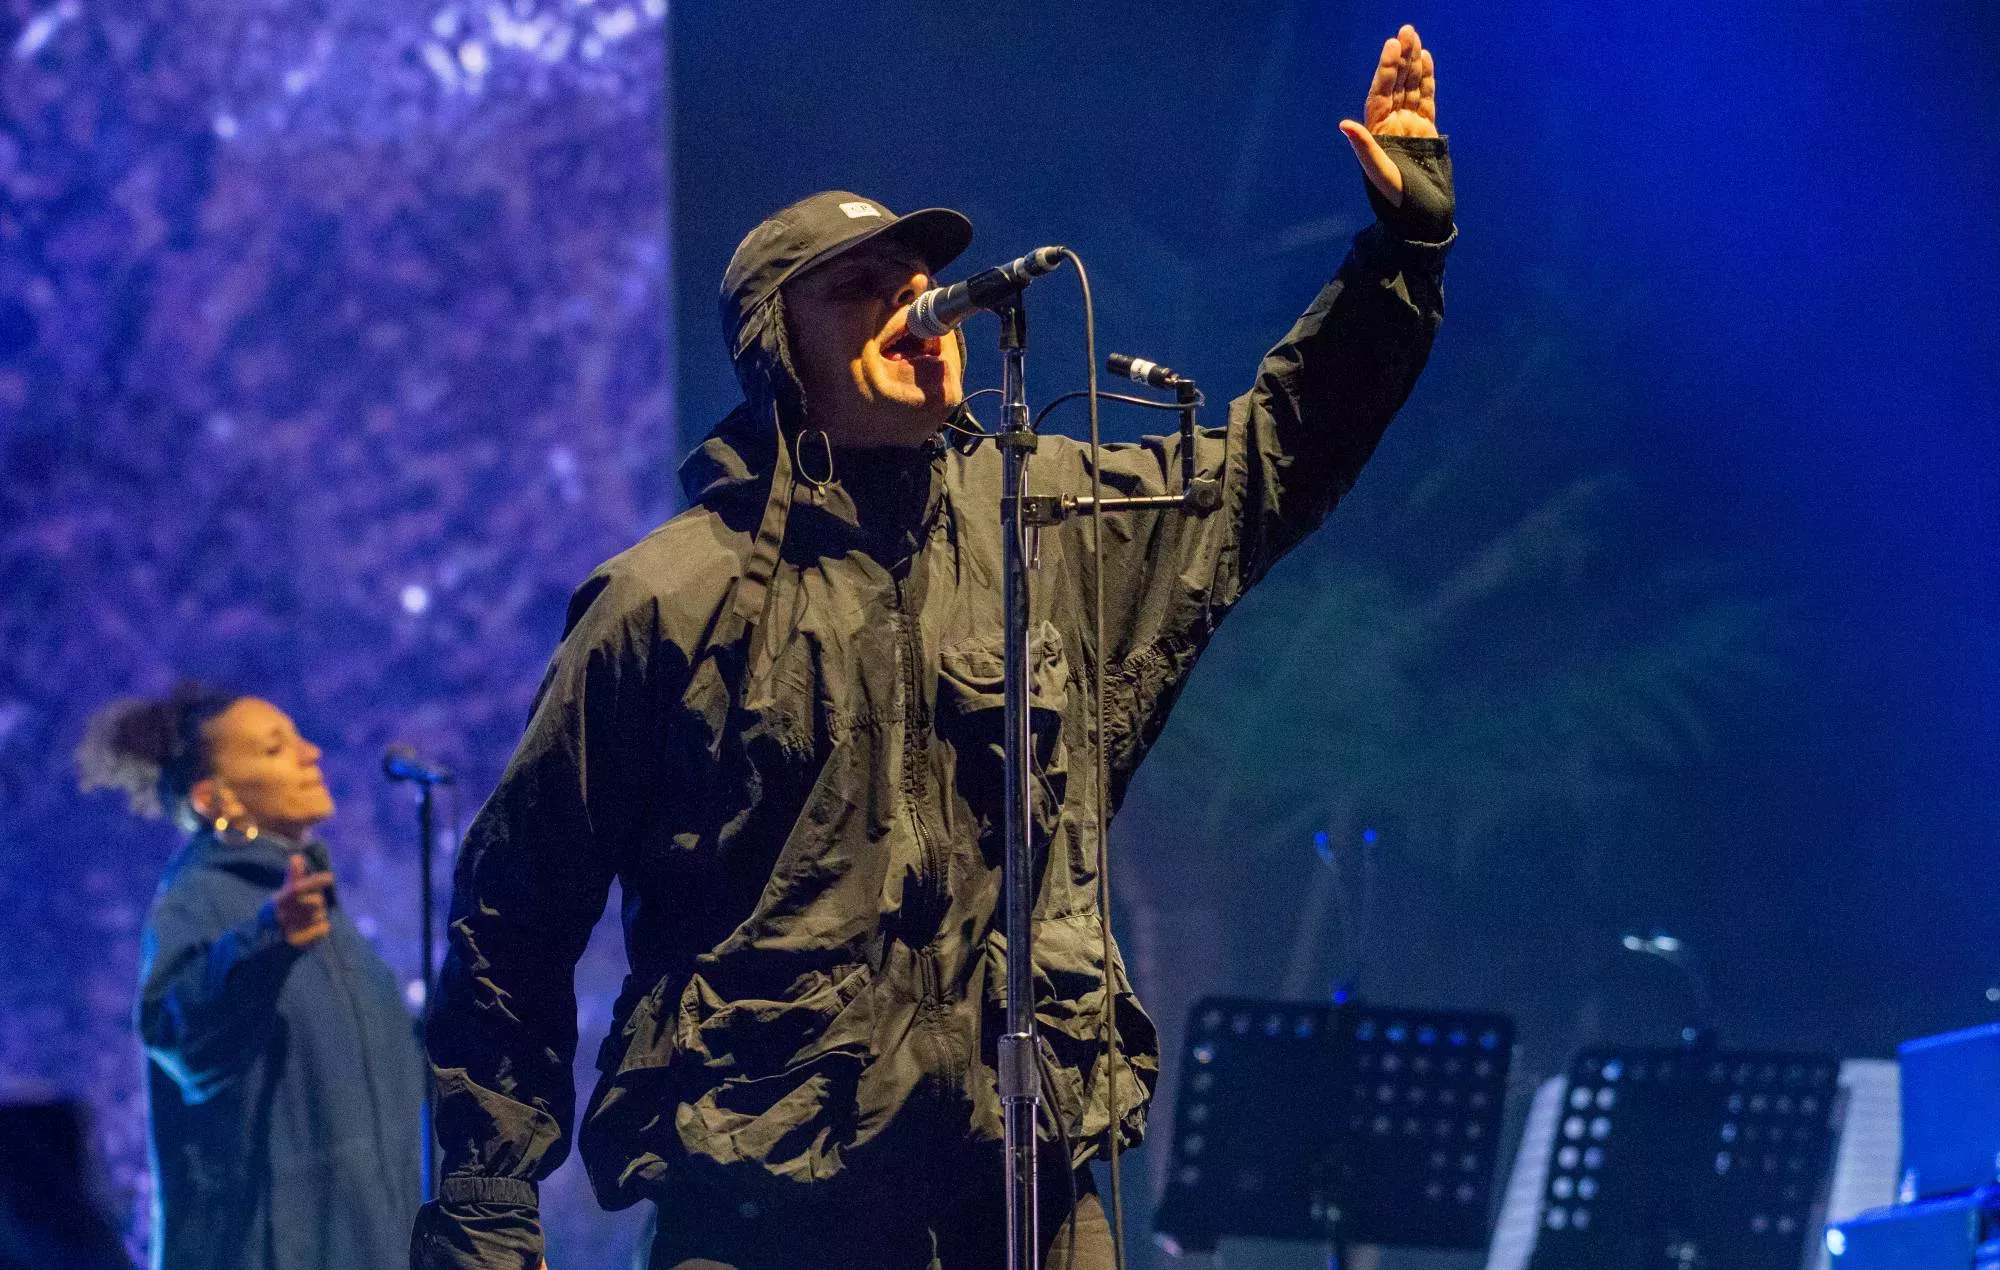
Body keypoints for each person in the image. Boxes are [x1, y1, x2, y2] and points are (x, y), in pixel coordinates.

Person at [413, 24, 1453, 1270]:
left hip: (1030, 1188)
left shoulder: (1052, 521)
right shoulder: (665, 596)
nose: (915, 312)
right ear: (772, 345)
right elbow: (513, 910)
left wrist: (1401, 252)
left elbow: (1268, 462)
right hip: (769, 1210)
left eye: (917, 285)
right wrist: (484, 1201)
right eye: (860, 291)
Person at [77, 683, 426, 1270]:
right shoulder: (201, 898)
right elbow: (175, 1031)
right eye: (274, 749)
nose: (311, 754)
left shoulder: (323, 917)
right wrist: (268, 939)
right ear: (216, 798)